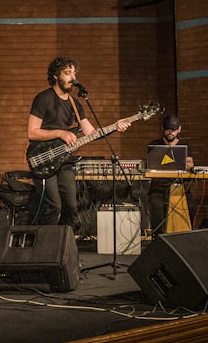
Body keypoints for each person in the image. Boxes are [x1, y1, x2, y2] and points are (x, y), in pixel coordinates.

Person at [27, 57, 130, 230]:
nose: (73, 77)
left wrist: (115, 127)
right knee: (54, 206)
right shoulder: (43, 98)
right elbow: (32, 132)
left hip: (64, 161)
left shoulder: (75, 104)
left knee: (71, 207)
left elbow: (91, 133)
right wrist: (60, 132)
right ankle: (43, 245)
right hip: (43, 158)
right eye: (68, 73)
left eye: (74, 73)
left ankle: (61, 244)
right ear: (55, 76)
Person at [146, 113, 197, 234]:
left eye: (173, 130)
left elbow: (190, 163)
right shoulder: (155, 145)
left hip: (179, 186)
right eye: (168, 129)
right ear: (162, 129)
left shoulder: (184, 146)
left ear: (179, 129)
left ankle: (186, 235)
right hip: (159, 187)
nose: (170, 132)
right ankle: (158, 237)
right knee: (156, 205)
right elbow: (150, 165)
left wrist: (185, 164)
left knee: (191, 205)